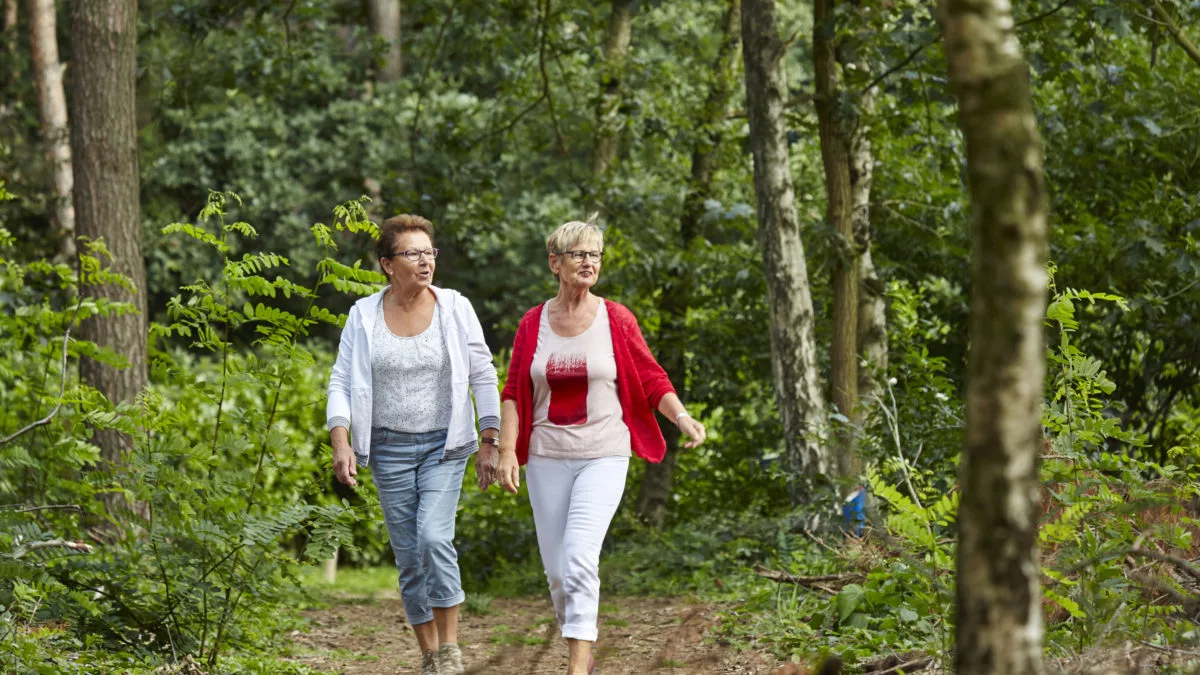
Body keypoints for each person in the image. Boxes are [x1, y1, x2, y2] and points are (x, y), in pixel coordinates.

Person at [495, 217, 706, 675]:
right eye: (578, 254)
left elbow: (651, 378)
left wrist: (682, 416)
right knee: (556, 572)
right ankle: (584, 650)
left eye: (594, 254)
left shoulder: (616, 318)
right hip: (548, 457)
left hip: (604, 454)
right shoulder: (533, 323)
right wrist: (507, 450)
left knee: (578, 556)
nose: (588, 261)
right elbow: (513, 392)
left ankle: (575, 668)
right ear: (556, 263)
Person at [327, 214, 501, 675]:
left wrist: (490, 438)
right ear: (387, 263)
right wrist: (341, 440)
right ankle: (429, 656)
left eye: (429, 253)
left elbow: (483, 373)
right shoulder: (363, 315)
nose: (425, 262)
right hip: (386, 449)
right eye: (413, 254)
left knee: (433, 537)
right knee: (408, 556)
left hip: (446, 446)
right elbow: (341, 381)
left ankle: (450, 649)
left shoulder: (455, 307)